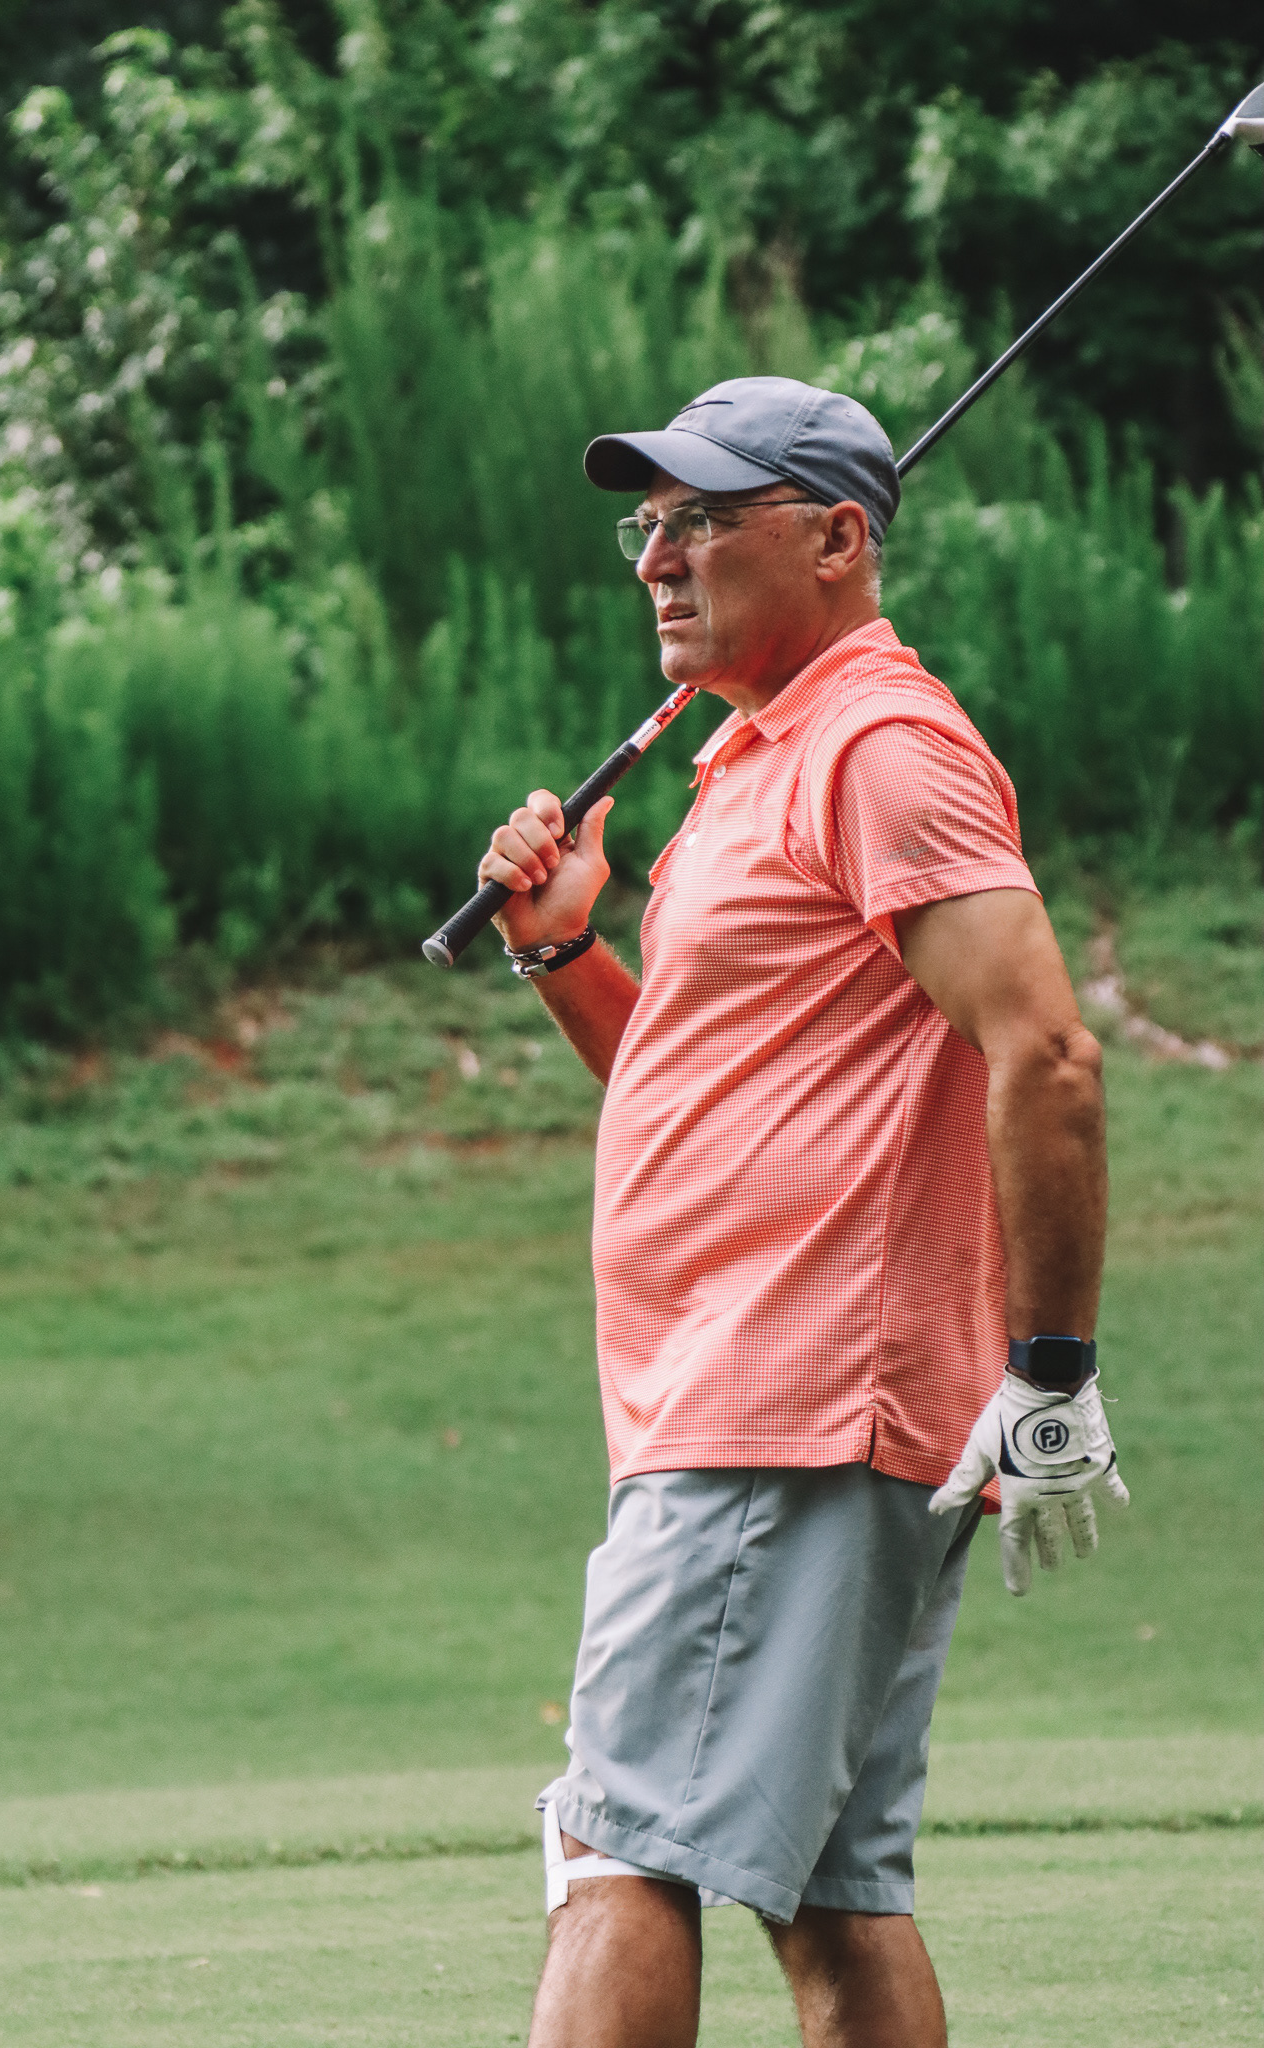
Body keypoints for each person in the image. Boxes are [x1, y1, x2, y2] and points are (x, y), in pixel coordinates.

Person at [476, 377, 1126, 2048]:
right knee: (833, 1887)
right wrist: (566, 951)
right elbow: (704, 1089)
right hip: (762, 1400)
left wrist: (1052, 1370)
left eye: (701, 522)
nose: (656, 561)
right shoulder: (759, 760)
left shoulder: (878, 747)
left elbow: (1044, 1052)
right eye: (648, 526)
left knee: (617, 1846)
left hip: (791, 1402)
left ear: (836, 538)